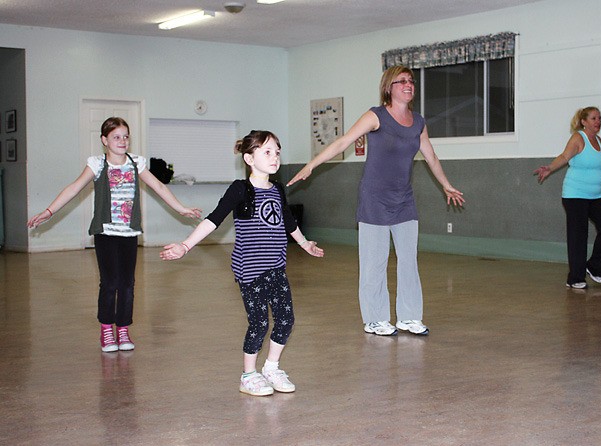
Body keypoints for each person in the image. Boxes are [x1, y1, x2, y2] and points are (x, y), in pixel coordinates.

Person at [287, 65, 464, 337]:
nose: (408, 85)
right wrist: (312, 165)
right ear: (388, 88)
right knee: (374, 263)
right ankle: (375, 319)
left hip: (404, 200)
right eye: (401, 81)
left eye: (411, 81)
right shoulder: (376, 116)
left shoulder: (418, 122)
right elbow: (343, 142)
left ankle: (409, 317)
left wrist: (447, 185)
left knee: (408, 261)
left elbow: (431, 157)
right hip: (374, 200)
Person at [160, 130, 324, 397]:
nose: (275, 157)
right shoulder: (240, 189)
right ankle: (248, 375)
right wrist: (185, 245)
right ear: (249, 158)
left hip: (276, 267)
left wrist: (305, 243)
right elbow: (213, 219)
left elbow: (288, 223)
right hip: (250, 270)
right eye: (267, 152)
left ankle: (271, 367)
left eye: (277, 152)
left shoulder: (278, 190)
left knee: (285, 319)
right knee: (259, 322)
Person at [27, 117, 202, 352]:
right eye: (116, 137)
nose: (122, 141)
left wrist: (182, 208)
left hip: (129, 234)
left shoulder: (136, 164)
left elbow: (159, 187)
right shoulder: (97, 164)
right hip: (106, 233)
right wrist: (49, 211)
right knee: (110, 282)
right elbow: (74, 188)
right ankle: (107, 328)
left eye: (126, 136)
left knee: (127, 283)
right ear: (104, 140)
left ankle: (123, 328)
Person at [534, 106, 601, 289]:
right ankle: (575, 278)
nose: (598, 122)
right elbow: (565, 156)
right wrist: (549, 168)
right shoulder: (578, 138)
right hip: (575, 195)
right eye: (594, 118)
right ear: (584, 122)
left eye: (600, 118)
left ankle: (595, 269)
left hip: (596, 196)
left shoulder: (599, 140)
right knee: (578, 235)